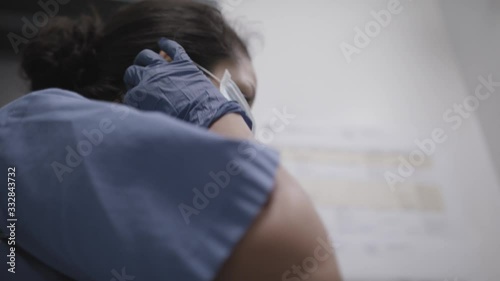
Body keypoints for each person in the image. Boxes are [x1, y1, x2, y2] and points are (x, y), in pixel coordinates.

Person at [0, 1, 342, 281]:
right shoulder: (34, 126)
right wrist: (211, 115)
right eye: (238, 100)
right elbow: (303, 260)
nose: (241, 125)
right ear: (164, 71)